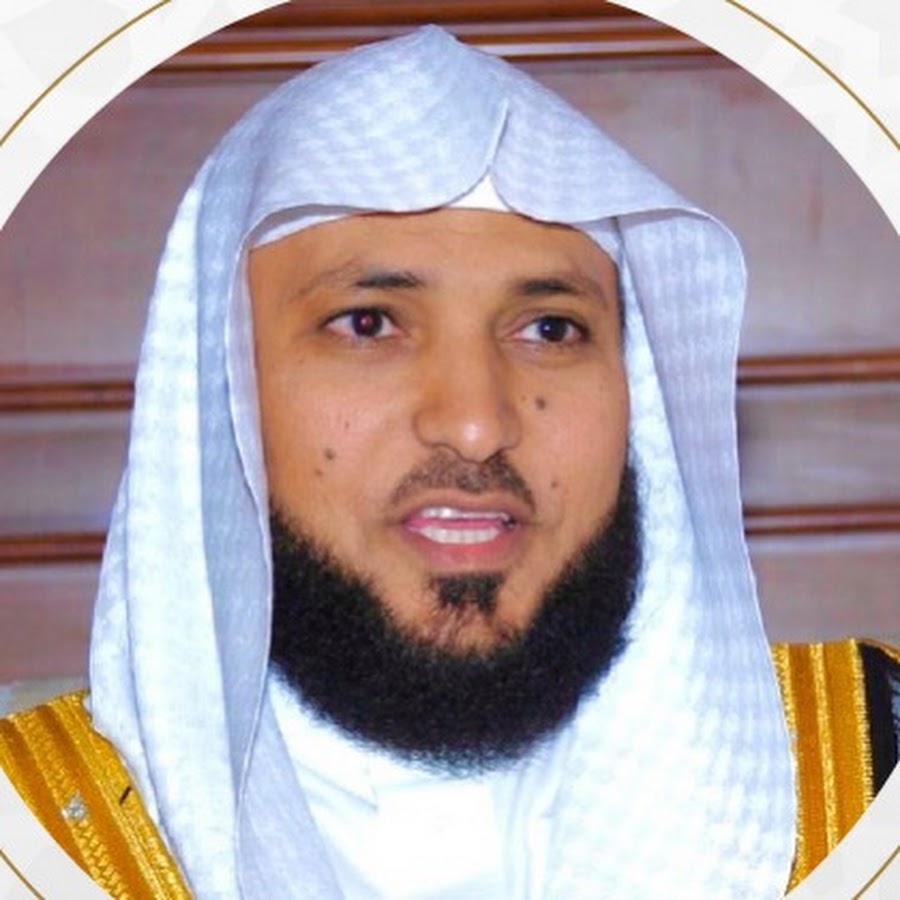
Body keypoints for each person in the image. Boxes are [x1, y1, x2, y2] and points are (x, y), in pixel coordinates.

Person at [1, 26, 897, 899]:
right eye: (368, 324)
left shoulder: (868, 770)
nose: (474, 425)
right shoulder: (35, 831)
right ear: (223, 389)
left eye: (551, 329)